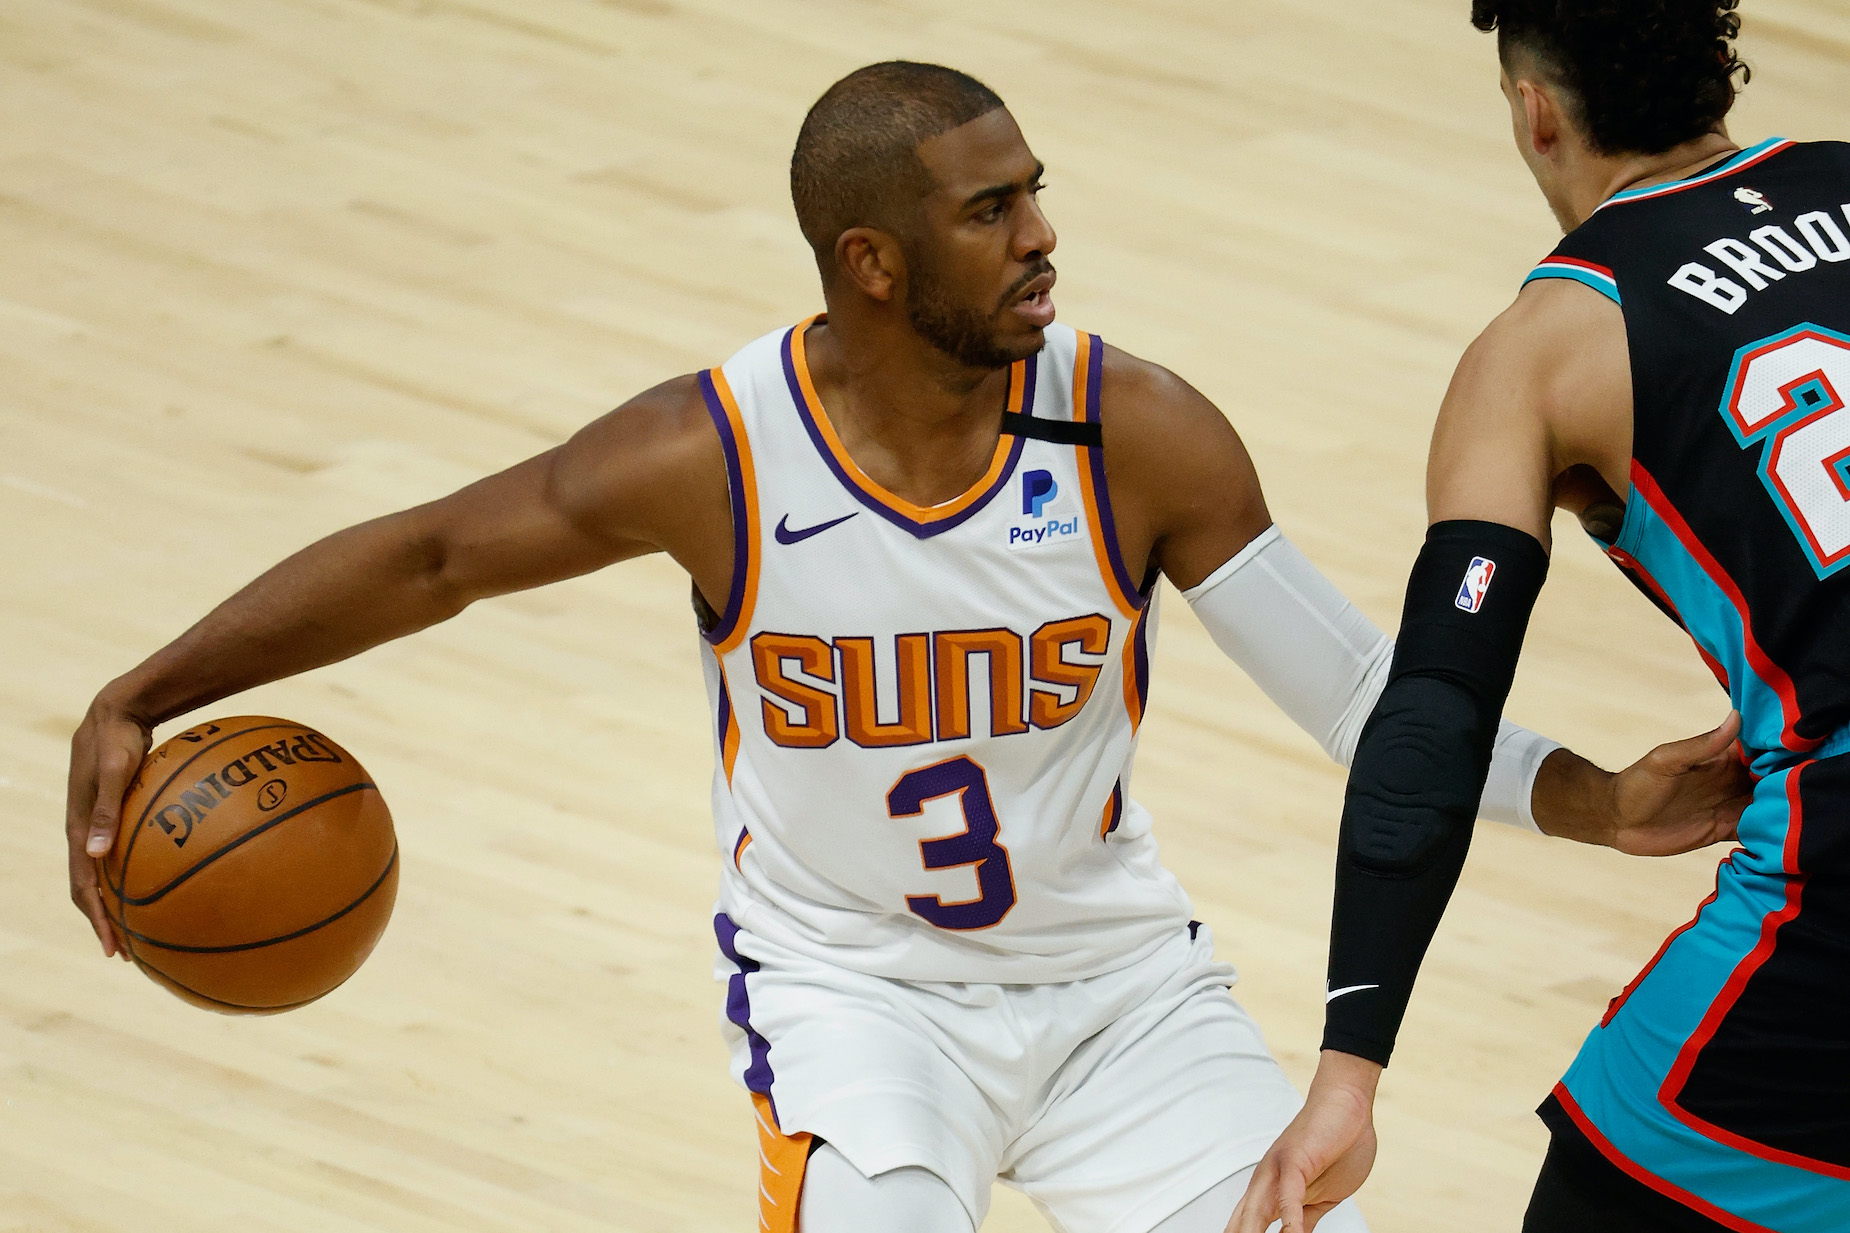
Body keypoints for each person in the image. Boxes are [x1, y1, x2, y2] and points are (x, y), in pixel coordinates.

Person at [64, 62, 1745, 1233]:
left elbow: (1366, 691)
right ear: (872, 263)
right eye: (988, 211)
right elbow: (431, 553)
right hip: (857, 1001)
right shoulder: (711, 453)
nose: (1039, 239)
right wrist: (149, 692)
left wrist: (1593, 796)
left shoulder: (1136, 427)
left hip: (1121, 995)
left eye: (1036, 198)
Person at [1231, 3, 1850, 1231]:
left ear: (1533, 109)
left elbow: (1429, 720)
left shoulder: (1541, 351)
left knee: (1623, 1176)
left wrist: (1348, 1068)